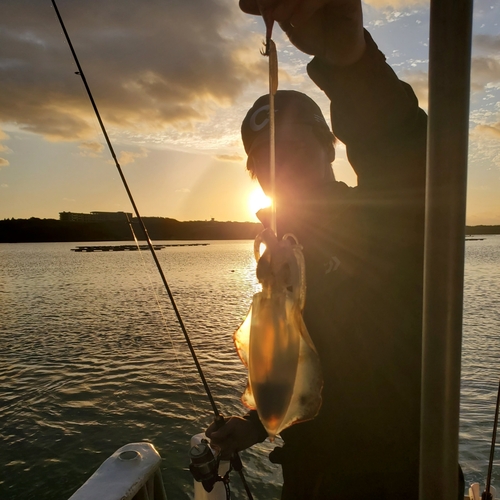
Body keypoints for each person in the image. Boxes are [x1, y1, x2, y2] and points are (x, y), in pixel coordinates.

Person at [208, 0, 430, 498]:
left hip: (399, 476)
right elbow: (298, 366)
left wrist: (351, 66)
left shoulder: (383, 225)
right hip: (309, 480)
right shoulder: (273, 264)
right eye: (267, 161)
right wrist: (254, 424)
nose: (282, 169)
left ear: (330, 148)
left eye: (297, 150)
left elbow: (405, 156)